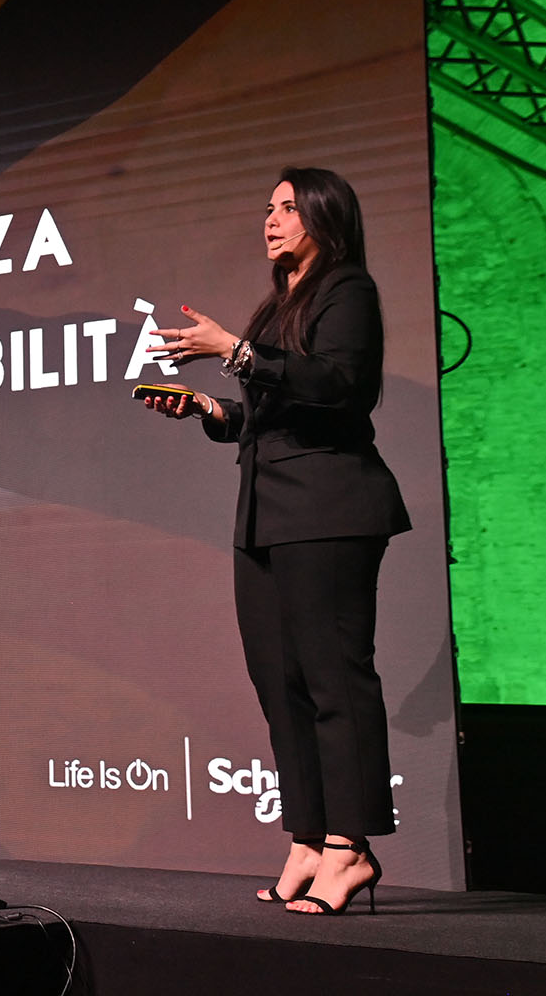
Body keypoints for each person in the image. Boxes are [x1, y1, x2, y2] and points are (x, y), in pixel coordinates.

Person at [142, 167, 409, 915]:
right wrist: (211, 410)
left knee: (334, 679)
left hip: (330, 508)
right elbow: (270, 414)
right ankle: (308, 839)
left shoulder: (347, 290)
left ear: (324, 216)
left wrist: (234, 350)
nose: (271, 219)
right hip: (266, 513)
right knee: (280, 685)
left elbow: (336, 387)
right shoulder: (277, 306)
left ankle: (350, 848)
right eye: (268, 207)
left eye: (288, 207)